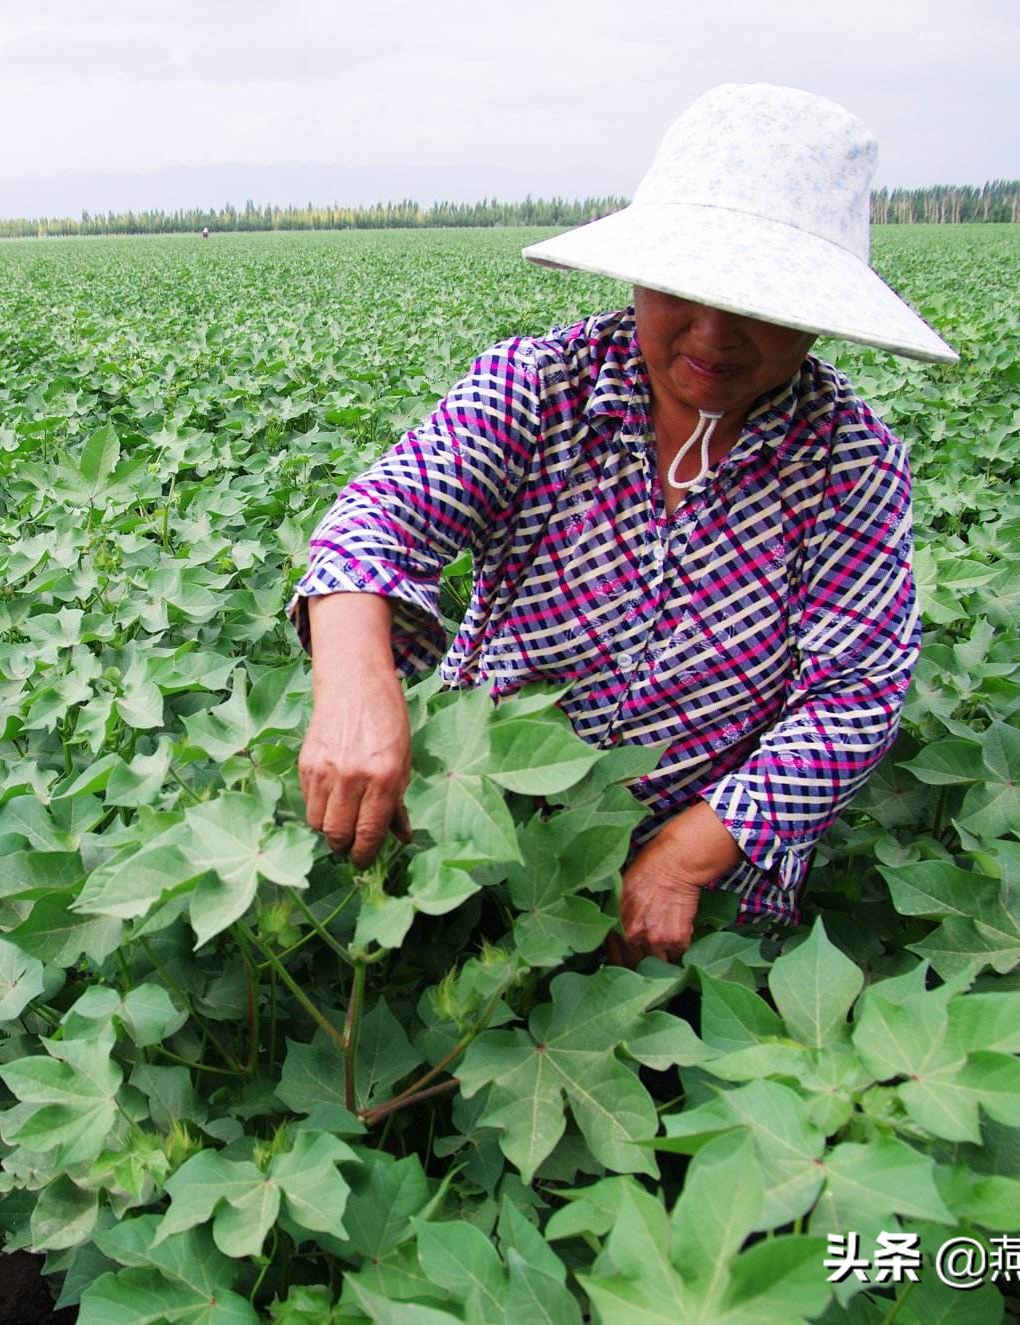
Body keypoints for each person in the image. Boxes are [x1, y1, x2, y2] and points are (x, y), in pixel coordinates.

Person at [288, 83, 957, 968]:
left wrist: (687, 855)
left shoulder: (852, 467)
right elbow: (378, 518)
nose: (713, 333)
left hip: (700, 893)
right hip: (481, 822)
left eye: (759, 302)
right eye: (687, 284)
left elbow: (854, 698)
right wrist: (355, 686)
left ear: (816, 317)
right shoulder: (538, 386)